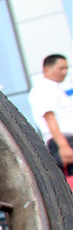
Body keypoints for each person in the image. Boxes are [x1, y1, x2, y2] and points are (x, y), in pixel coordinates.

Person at [28, 54, 73, 184]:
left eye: (66, 68)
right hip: (64, 141)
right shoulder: (43, 89)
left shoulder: (56, 89)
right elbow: (50, 118)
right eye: (61, 68)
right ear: (47, 69)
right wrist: (63, 146)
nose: (64, 72)